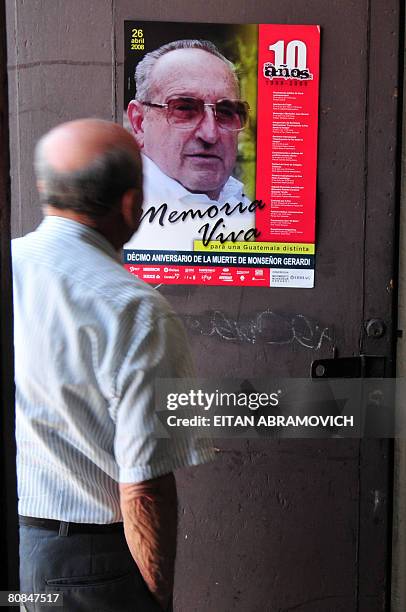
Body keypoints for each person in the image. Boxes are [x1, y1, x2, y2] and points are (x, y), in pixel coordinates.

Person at [12, 119, 214, 611]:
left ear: (46, 189)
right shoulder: (133, 309)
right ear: (129, 203)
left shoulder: (13, 263)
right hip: (86, 565)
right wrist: (154, 599)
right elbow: (143, 490)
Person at [125, 39, 255, 252]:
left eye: (225, 112)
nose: (210, 134)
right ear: (139, 123)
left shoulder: (239, 201)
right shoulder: (123, 216)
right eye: (184, 109)